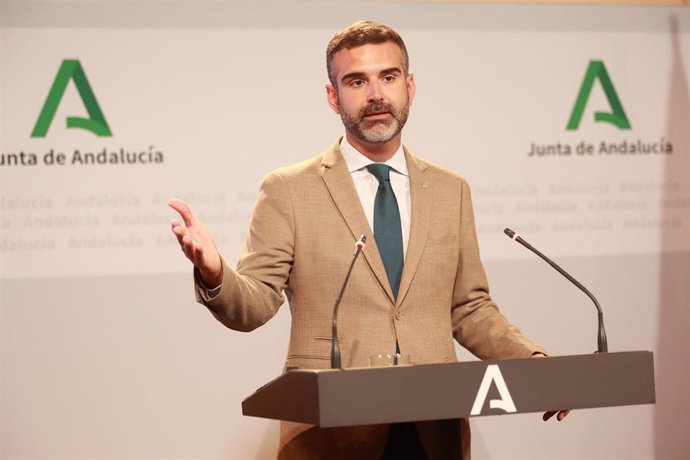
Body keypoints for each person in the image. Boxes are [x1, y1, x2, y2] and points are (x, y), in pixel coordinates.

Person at [170, 20, 568, 460]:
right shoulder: (289, 189)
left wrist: (532, 366)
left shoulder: (451, 189)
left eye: (389, 77)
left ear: (410, 87)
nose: (376, 94)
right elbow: (255, 302)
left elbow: (469, 307)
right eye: (356, 81)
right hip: (332, 434)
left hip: (434, 432)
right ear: (332, 96)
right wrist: (213, 271)